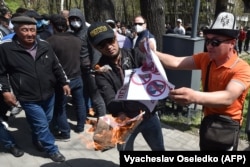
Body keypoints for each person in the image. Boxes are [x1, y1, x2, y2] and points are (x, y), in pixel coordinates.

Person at [154, 12, 250, 150]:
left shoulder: (242, 68)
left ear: (232, 43)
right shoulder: (206, 58)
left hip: (226, 129)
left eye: (215, 42)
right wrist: (153, 53)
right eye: (208, 40)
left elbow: (228, 97)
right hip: (207, 124)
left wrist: (194, 96)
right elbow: (176, 62)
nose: (209, 46)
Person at [0, 15, 71, 162]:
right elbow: (1, 73)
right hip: (27, 97)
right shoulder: (6, 48)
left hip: (49, 94)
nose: (30, 34)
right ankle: (52, 150)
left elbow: (56, 66)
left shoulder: (44, 45)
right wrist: (5, 91)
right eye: (25, 30)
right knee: (42, 124)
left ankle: (36, 140)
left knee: (46, 121)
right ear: (16, 30)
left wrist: (64, 82)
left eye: (32, 30)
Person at [87, 22, 165, 151]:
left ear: (115, 36)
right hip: (125, 120)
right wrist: (121, 112)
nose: (108, 46)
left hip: (148, 115)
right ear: (96, 48)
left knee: (159, 149)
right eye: (102, 45)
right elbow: (110, 99)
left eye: (110, 40)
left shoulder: (134, 54)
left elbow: (154, 76)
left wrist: (150, 55)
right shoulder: (100, 70)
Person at [47, 14, 86, 138]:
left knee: (60, 107)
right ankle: (80, 126)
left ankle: (65, 132)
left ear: (52, 25)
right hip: (78, 76)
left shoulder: (50, 42)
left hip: (62, 81)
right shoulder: (77, 40)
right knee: (80, 103)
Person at [68, 8, 106, 118]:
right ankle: (83, 116)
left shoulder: (88, 33)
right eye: (72, 19)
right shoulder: (71, 34)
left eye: (77, 18)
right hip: (78, 70)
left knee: (96, 97)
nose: (75, 21)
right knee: (82, 95)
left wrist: (94, 67)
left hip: (90, 69)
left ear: (82, 19)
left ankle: (102, 120)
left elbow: (96, 51)